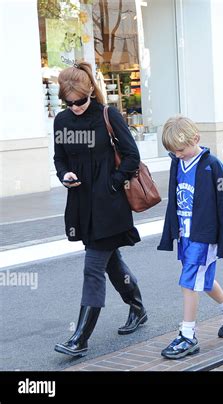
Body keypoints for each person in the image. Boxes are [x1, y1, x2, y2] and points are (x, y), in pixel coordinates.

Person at [53, 62, 148, 357]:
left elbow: (132, 155)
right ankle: (138, 307)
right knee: (111, 262)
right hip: (81, 205)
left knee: (93, 267)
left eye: (80, 101)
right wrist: (65, 175)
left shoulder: (108, 115)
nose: (75, 107)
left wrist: (113, 183)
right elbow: (60, 159)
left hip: (110, 205)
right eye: (69, 102)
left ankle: (79, 338)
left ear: (90, 93)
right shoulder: (62, 121)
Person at [158, 116, 223, 359]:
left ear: (195, 139)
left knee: (188, 281)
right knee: (202, 280)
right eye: (173, 152)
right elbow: (174, 198)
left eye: (180, 149)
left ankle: (188, 335)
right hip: (186, 233)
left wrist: (222, 239)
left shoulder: (213, 165)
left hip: (204, 235)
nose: (178, 155)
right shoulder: (178, 162)